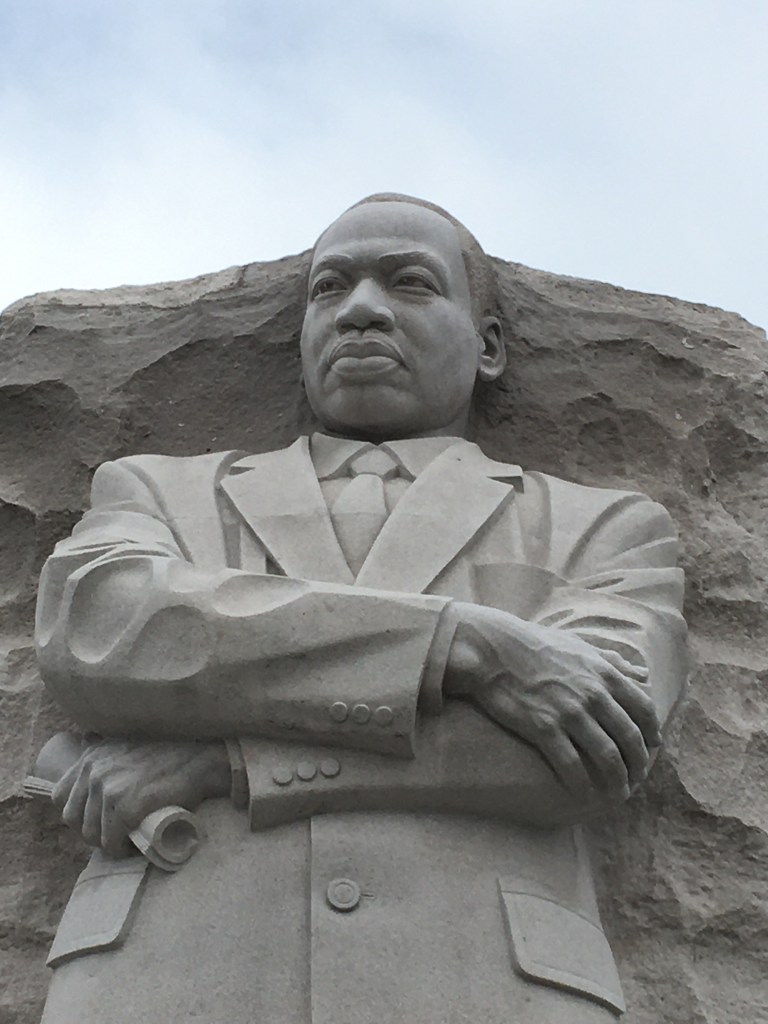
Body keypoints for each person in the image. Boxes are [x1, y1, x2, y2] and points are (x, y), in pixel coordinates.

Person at [34, 194, 688, 1024]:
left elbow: (590, 746)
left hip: (486, 983)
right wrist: (461, 644)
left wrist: (225, 763)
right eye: (330, 287)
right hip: (171, 969)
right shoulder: (159, 491)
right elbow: (101, 632)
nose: (361, 309)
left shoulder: (603, 526)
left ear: (488, 346)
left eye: (409, 282)